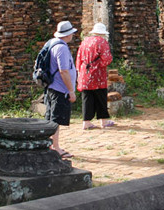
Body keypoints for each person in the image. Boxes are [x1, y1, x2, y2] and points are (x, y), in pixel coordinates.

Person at [45, 20, 78, 158]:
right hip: (59, 88)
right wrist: (71, 90)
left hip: (52, 86)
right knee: (56, 120)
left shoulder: (51, 43)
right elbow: (63, 70)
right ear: (68, 34)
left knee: (51, 118)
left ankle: (50, 145)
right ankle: (55, 147)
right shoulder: (62, 48)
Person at [76, 22, 114, 130]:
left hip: (84, 73)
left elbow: (79, 58)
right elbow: (107, 59)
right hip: (97, 74)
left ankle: (86, 122)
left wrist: (80, 71)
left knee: (87, 97)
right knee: (100, 96)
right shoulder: (102, 42)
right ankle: (104, 121)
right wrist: (98, 65)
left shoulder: (85, 41)